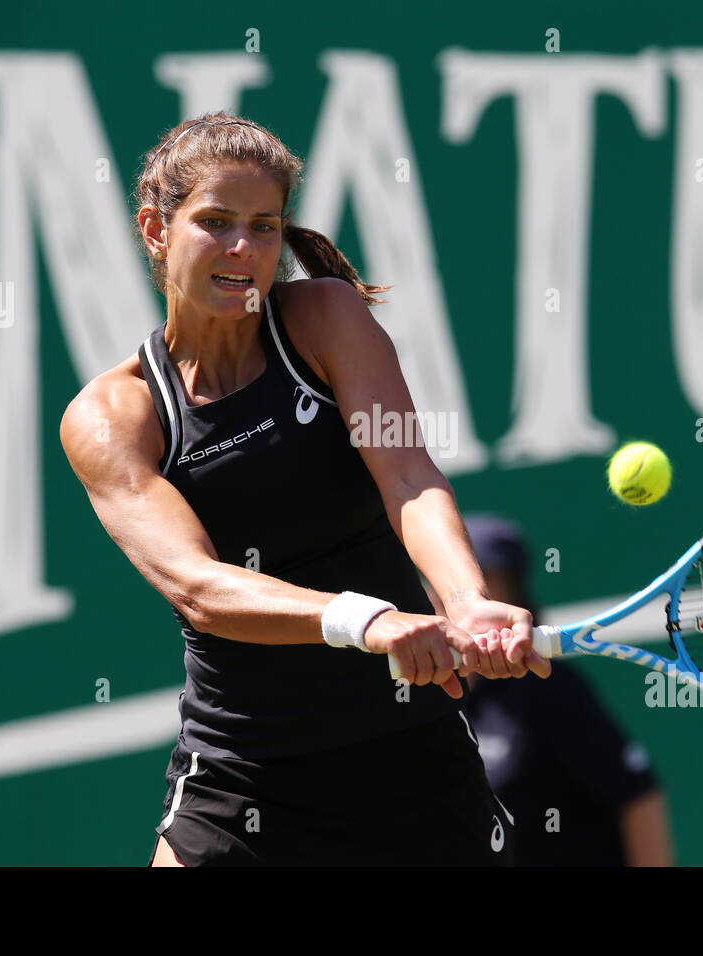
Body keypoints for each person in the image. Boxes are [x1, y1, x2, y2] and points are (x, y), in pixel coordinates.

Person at [59, 110, 550, 866]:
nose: (242, 249)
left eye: (263, 225)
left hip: (409, 760)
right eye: (215, 222)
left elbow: (409, 476)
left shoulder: (326, 319)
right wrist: (371, 621)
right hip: (242, 772)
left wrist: (465, 599)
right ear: (157, 231)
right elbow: (198, 587)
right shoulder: (113, 415)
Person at [439, 514, 676, 866]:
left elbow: (637, 797)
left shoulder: (551, 691)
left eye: (490, 583)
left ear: (515, 596)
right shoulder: (424, 700)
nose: (476, 600)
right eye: (458, 586)